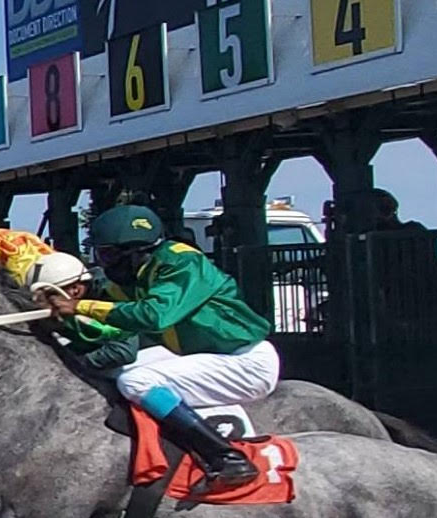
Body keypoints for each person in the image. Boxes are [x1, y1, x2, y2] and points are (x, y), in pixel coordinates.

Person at [41, 204, 275, 486]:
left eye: (107, 254)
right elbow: (109, 331)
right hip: (211, 359)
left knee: (136, 381)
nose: (102, 263)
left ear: (135, 250)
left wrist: (80, 305)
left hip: (247, 363)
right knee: (118, 372)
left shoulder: (183, 262)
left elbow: (155, 316)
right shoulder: (135, 278)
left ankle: (227, 458)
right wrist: (61, 324)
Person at [27, 251, 135, 372]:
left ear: (75, 289)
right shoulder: (81, 294)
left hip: (148, 353)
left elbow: (123, 352)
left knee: (129, 382)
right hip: (115, 351)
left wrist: (70, 363)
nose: (49, 303)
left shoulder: (112, 294)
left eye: (51, 296)